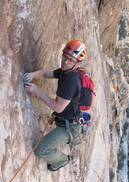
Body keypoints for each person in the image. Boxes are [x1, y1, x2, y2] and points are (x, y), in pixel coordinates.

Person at [23, 40, 87, 171]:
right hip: (66, 121)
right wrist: (32, 75)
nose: (65, 62)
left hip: (70, 127)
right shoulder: (66, 71)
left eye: (70, 60)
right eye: (65, 57)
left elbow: (58, 107)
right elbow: (47, 74)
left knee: (40, 149)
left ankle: (62, 160)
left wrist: (36, 90)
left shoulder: (71, 81)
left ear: (77, 63)